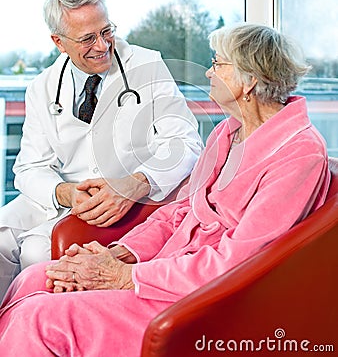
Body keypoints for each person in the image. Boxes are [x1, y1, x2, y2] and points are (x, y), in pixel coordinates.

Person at [0, 24, 330, 356]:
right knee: (34, 279)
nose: (208, 72)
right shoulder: (228, 134)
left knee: (38, 318)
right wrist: (118, 254)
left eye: (218, 63)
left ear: (249, 80)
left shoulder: (300, 155)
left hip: (206, 298)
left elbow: (238, 261)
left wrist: (128, 277)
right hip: (167, 267)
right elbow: (179, 212)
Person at [0, 0, 203, 301]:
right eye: (87, 38)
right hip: (66, 195)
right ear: (59, 42)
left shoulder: (146, 66)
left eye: (107, 31)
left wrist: (135, 183)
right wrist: (64, 193)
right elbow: (29, 167)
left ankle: (36, 337)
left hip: (132, 196)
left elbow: (185, 143)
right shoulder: (42, 86)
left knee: (37, 253)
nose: (102, 45)